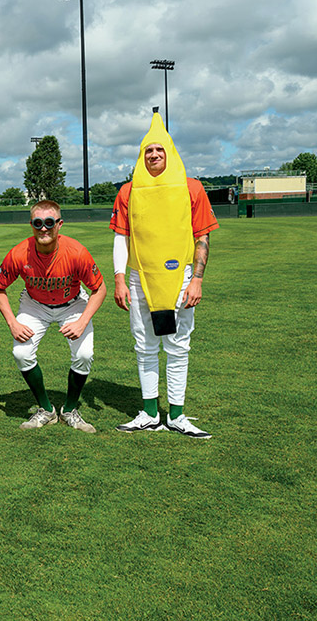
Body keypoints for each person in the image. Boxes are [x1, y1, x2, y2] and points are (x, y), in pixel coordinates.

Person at [111, 110, 218, 438]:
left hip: (181, 277)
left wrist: (197, 278)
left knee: (178, 344)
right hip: (140, 276)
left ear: (169, 153)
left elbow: (202, 236)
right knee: (144, 345)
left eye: (160, 150)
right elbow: (120, 238)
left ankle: (177, 414)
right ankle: (148, 412)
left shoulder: (192, 188)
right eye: (148, 151)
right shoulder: (128, 192)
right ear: (141, 156)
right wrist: (119, 278)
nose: (154, 155)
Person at [0, 200, 106, 432]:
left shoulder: (76, 252)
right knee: (21, 352)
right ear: (31, 225)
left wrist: (82, 321)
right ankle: (46, 410)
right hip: (34, 304)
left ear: (59, 224)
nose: (44, 228)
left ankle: (70, 410)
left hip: (72, 304)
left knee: (84, 355)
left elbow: (100, 288)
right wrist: (12, 322)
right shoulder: (19, 253)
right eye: (38, 223)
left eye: (49, 222)